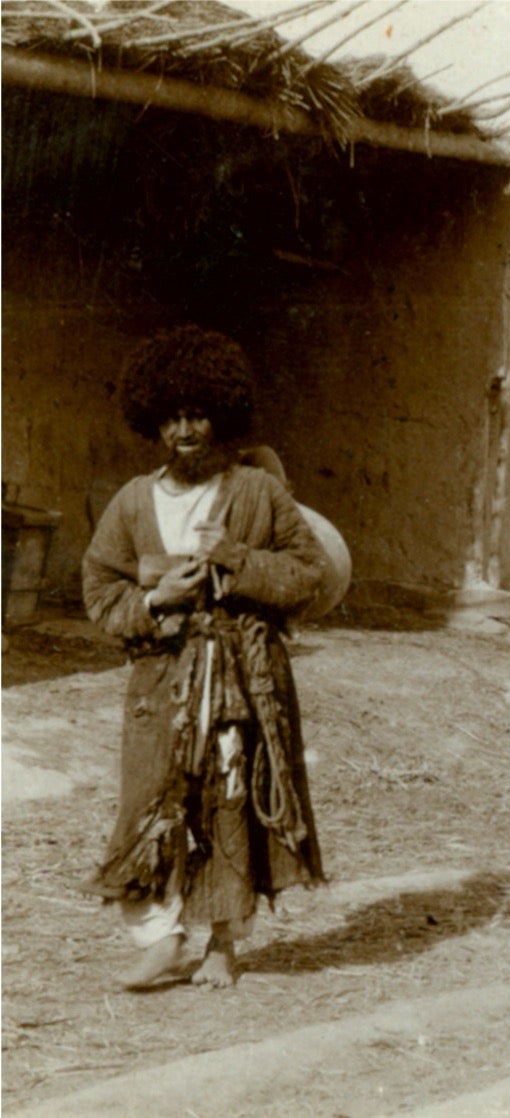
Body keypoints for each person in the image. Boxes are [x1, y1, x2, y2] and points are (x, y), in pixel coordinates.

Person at [81, 325, 328, 990]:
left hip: (239, 682)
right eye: (170, 417)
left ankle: (223, 943)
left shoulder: (258, 492)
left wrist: (236, 560)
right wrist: (155, 600)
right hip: (158, 682)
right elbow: (100, 594)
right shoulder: (132, 502)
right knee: (148, 802)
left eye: (196, 414)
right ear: (152, 421)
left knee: (229, 801)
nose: (184, 430)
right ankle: (159, 939)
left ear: (219, 413)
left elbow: (308, 575)